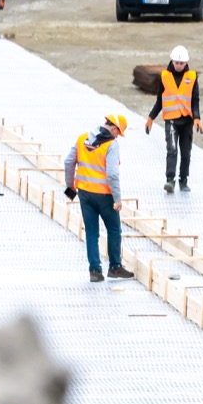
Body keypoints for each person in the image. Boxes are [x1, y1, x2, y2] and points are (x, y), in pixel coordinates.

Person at [64, 114, 135, 283]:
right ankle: (115, 267)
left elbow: (68, 162)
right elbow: (111, 174)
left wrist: (70, 188)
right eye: (118, 132)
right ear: (114, 128)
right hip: (104, 195)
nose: (117, 136)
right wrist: (118, 199)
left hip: (85, 193)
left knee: (91, 233)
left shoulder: (83, 138)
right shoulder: (111, 145)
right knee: (114, 230)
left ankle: (95, 271)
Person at [145, 45, 203, 194]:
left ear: (186, 63)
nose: (178, 66)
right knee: (171, 149)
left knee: (186, 152)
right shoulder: (164, 77)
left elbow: (195, 100)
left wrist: (197, 118)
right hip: (171, 120)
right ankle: (170, 180)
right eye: (176, 63)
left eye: (181, 63)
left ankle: (183, 180)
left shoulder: (192, 76)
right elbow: (160, 100)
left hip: (187, 122)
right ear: (172, 61)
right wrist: (151, 117)